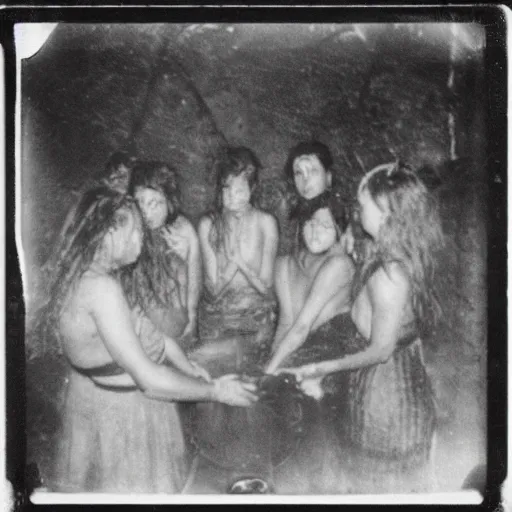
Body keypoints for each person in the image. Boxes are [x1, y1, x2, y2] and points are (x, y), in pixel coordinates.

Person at [38, 187, 258, 493]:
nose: (142, 238)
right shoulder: (101, 289)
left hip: (111, 402)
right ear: (110, 231)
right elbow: (150, 379)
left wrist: (189, 365)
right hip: (125, 414)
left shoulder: (90, 274)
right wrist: (216, 390)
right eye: (136, 230)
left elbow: (154, 336)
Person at [273, 161, 444, 493]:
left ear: (385, 213)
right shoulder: (398, 254)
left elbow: (380, 351)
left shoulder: (390, 275)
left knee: (376, 484)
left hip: (386, 400)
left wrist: (323, 369)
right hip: (388, 386)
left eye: (362, 203)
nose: (357, 208)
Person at [263, 199, 361, 493]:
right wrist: (273, 366)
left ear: (339, 231)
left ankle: (322, 486)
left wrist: (270, 371)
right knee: (274, 398)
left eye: (325, 224)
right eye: (310, 222)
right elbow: (286, 324)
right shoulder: (284, 263)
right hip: (299, 351)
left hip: (332, 357)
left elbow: (304, 327)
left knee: (302, 397)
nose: (315, 230)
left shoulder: (340, 264)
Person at [197, 146, 279, 368]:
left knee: (242, 364)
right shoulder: (209, 225)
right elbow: (213, 292)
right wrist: (233, 264)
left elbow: (266, 287)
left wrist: (241, 263)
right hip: (217, 315)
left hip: (256, 314)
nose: (233, 197)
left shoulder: (265, 223)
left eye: (240, 190)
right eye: (226, 190)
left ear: (252, 188)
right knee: (214, 367)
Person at [122, 161, 202, 351]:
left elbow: (195, 280)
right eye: (140, 204)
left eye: (155, 204)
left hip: (178, 323)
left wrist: (192, 320)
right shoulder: (128, 231)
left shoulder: (183, 228)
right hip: (145, 331)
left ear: (169, 202)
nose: (146, 213)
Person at [284, 140, 355, 256]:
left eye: (313, 171)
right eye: (298, 173)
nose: (305, 180)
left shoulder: (337, 208)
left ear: (328, 177)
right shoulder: (297, 211)